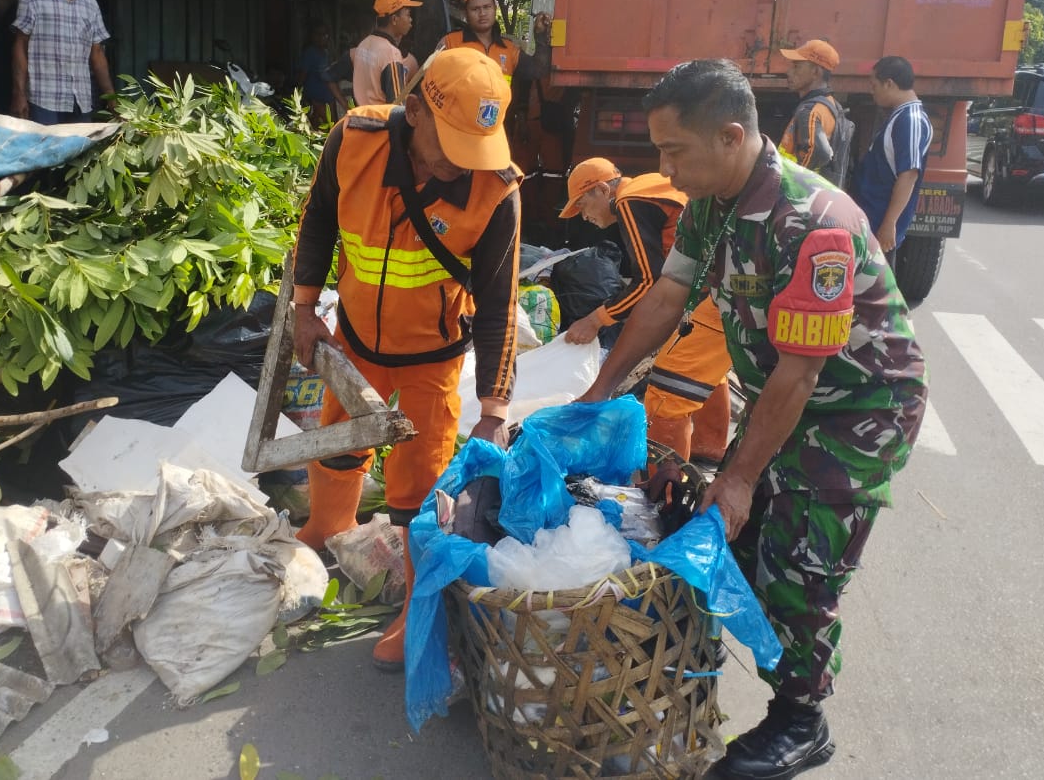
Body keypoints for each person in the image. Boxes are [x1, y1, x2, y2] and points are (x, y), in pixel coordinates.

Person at [579, 59, 926, 779]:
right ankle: (690, 671)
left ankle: (802, 718)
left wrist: (740, 477)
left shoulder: (815, 225)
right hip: (787, 393)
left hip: (858, 409)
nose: (665, 169)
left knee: (796, 563)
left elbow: (802, 372)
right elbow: (669, 295)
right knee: (733, 538)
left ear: (732, 136)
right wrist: (600, 391)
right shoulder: (714, 201)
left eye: (675, 151)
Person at [291, 48, 521, 673]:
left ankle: (420, 604)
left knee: (421, 483)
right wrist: (304, 308)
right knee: (337, 442)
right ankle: (322, 530)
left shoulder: (496, 191)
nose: (463, 165)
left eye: (477, 148)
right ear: (414, 110)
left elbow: (500, 302)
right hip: (357, 341)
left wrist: (495, 407)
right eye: (452, 145)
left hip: (432, 357)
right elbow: (316, 224)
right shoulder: (354, 138)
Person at [560, 158, 732, 462]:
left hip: (716, 292)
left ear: (601, 190)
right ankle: (709, 445)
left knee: (667, 389)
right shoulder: (649, 185)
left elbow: (649, 283)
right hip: (722, 284)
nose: (582, 216)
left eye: (581, 205)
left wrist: (596, 319)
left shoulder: (629, 201)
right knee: (702, 368)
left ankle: (664, 491)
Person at [10, 0, 115, 125]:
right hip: (43, 98)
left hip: (81, 100)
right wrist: (19, 93)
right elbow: (20, 45)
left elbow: (97, 54)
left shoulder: (90, 3)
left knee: (81, 154)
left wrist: (111, 97)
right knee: (46, 153)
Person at [852, 55, 933, 257]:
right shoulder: (899, 115)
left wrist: (889, 224)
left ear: (889, 84)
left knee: (876, 285)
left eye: (874, 86)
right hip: (871, 221)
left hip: (879, 225)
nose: (872, 92)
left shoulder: (910, 120)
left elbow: (909, 174)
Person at [441, 0, 552, 87]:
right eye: (475, 9)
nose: (482, 13)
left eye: (487, 7)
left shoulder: (509, 49)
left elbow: (539, 70)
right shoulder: (450, 43)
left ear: (494, 9)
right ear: (466, 13)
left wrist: (540, 35)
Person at [778, 38, 852, 184]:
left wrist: (793, 186)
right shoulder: (832, 104)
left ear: (816, 72)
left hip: (801, 197)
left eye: (797, 66)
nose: (789, 72)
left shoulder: (811, 111)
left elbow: (819, 153)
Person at [351, 0, 422, 106]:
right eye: (408, 14)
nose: (411, 19)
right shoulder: (391, 53)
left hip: (360, 118)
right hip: (379, 122)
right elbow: (397, 105)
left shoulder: (364, 43)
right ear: (394, 19)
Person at [294, 23, 337, 127]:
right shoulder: (310, 53)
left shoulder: (325, 52)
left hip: (328, 100)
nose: (321, 37)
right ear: (312, 36)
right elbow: (302, 78)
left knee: (330, 130)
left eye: (324, 34)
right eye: (318, 34)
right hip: (316, 101)